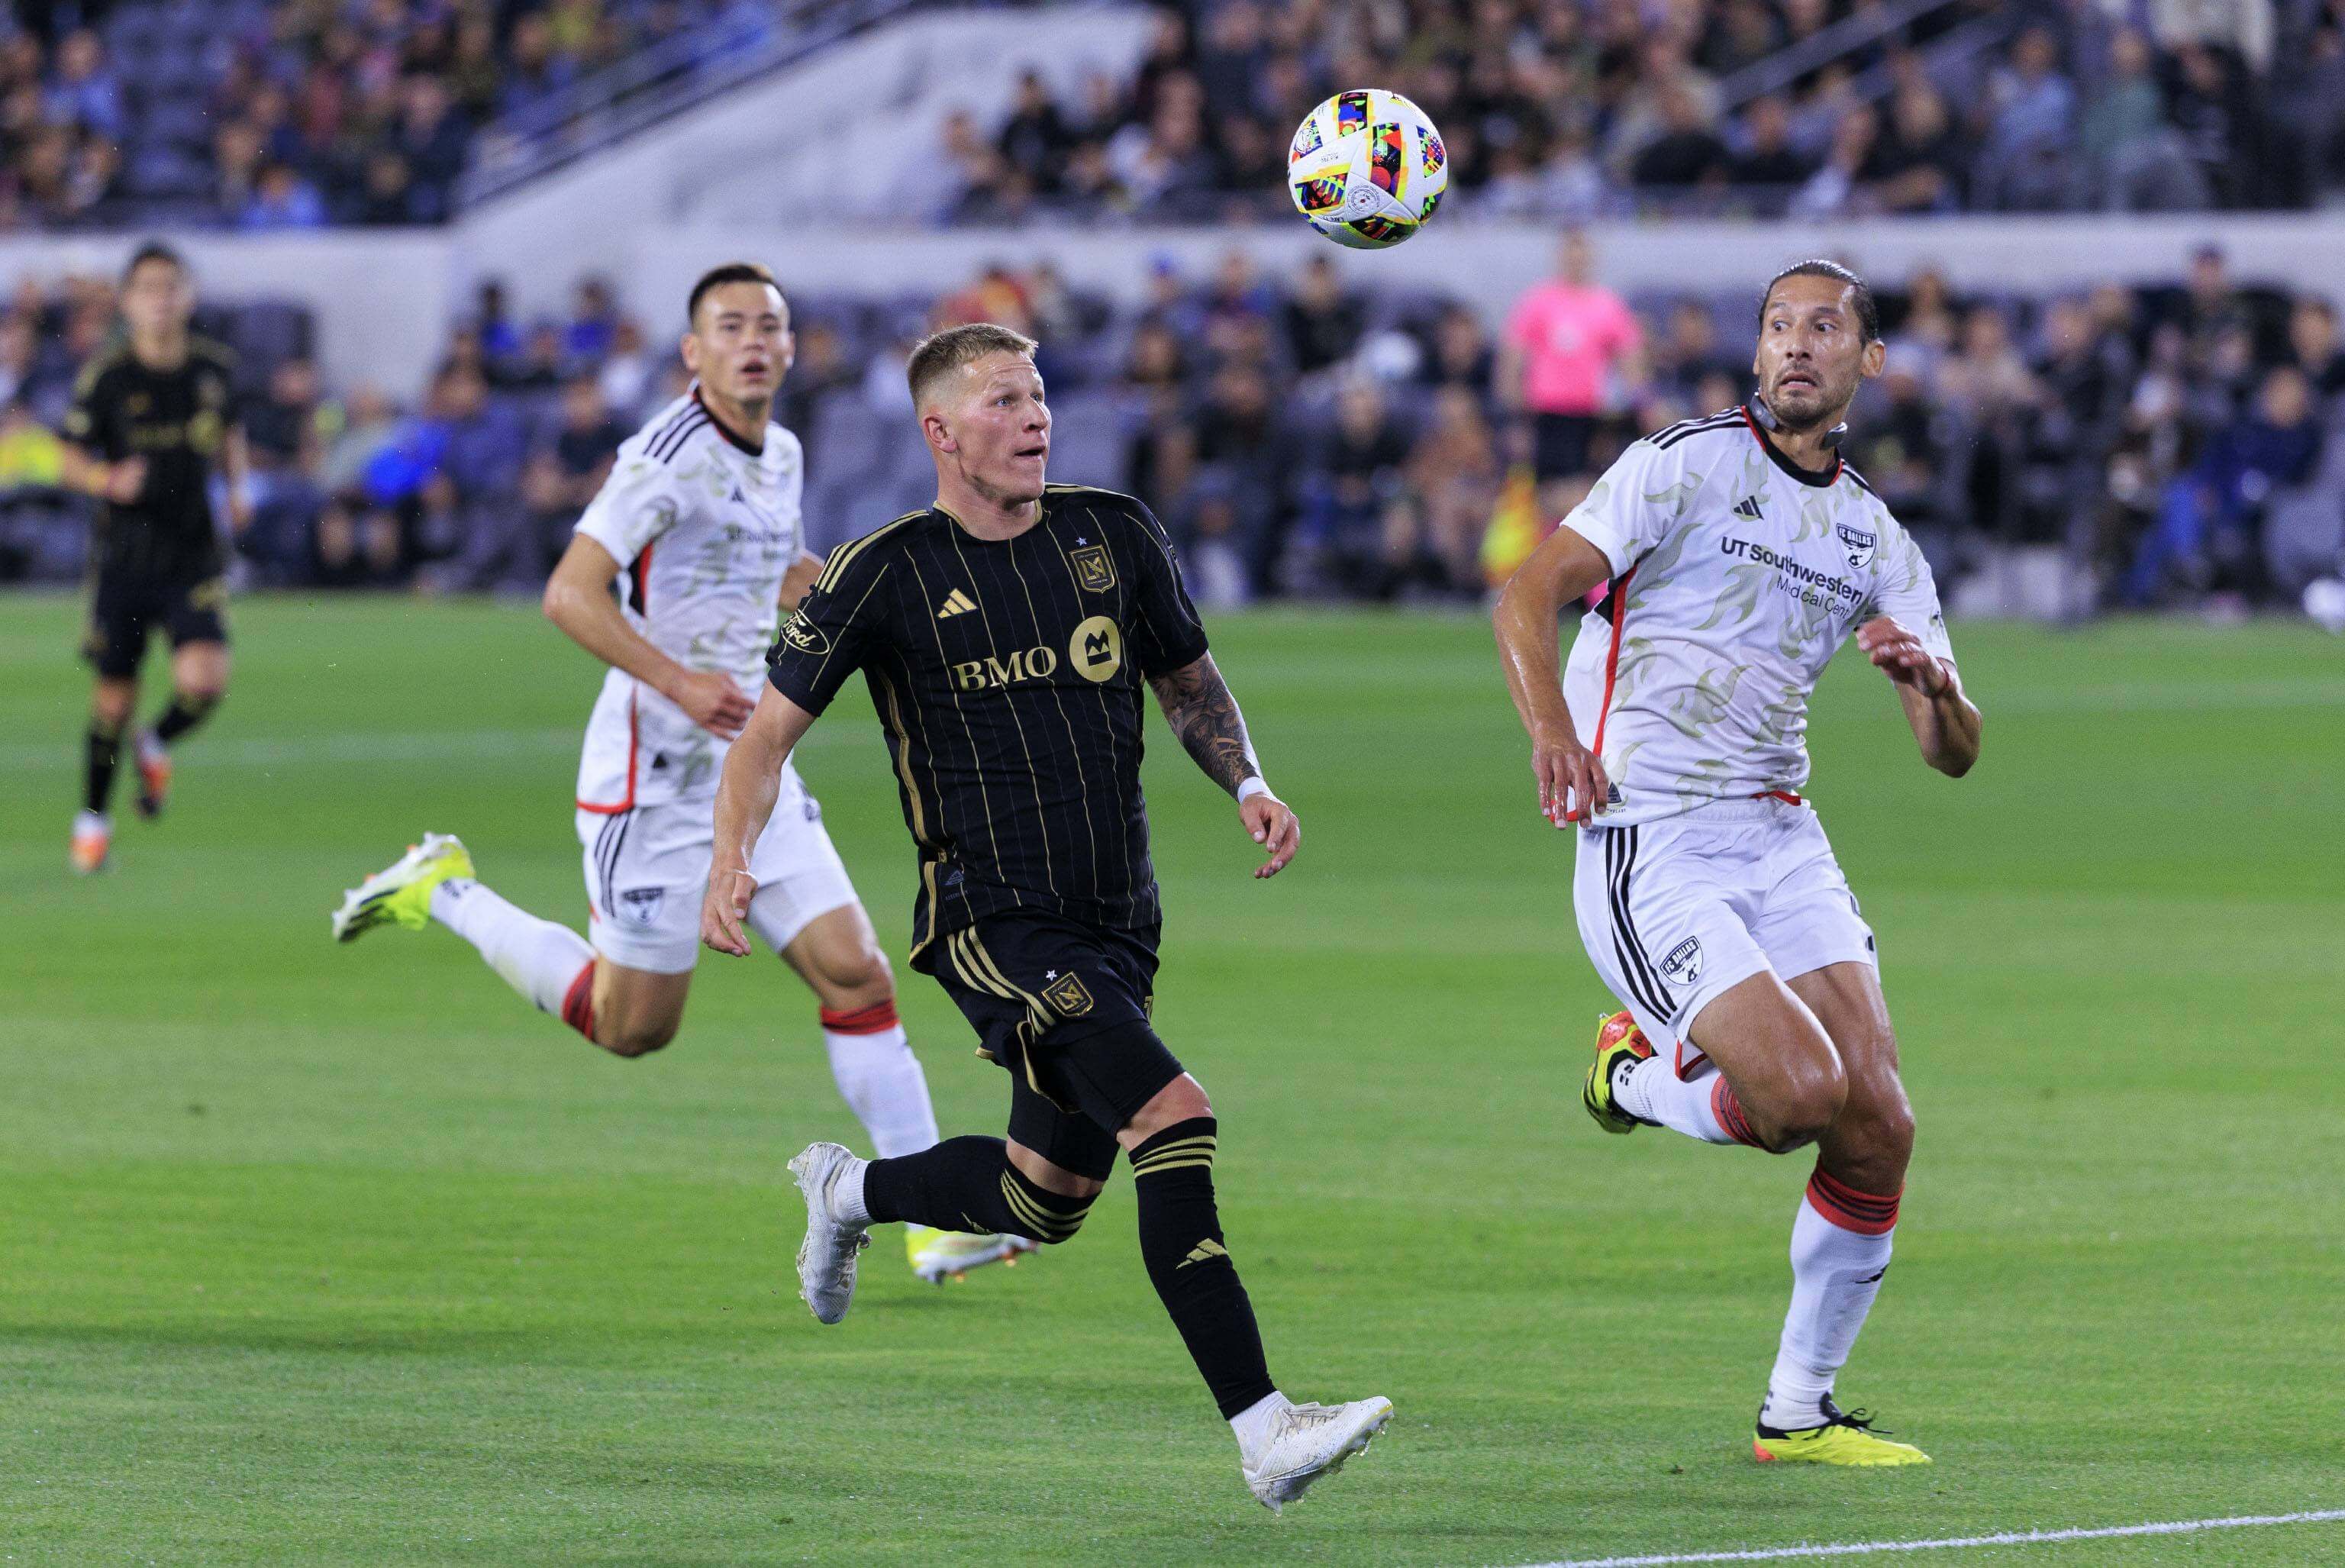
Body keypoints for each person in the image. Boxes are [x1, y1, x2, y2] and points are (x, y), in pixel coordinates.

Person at [706, 322, 1391, 1511]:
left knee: (1042, 1197)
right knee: (1173, 1119)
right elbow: (764, 737)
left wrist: (1250, 781)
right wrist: (731, 858)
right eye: (1005, 402)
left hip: (1119, 915)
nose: (1036, 420)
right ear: (941, 432)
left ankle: (849, 1193)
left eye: (1039, 397)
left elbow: (1188, 679)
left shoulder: (1112, 532)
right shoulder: (885, 570)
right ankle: (1266, 1428)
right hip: (993, 921)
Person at [331, 264, 1024, 1286]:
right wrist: (679, 680)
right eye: (729, 327)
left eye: (770, 326)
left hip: (748, 772)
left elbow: (771, 572)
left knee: (857, 972)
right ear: (692, 354)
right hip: (650, 778)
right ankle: (446, 890)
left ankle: (932, 1218)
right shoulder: (661, 459)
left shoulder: (780, 451)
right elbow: (570, 594)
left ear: (790, 350)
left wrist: (865, 599)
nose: (753, 341)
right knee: (632, 1027)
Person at [1492, 260, 1982, 1466]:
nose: (1796, 346)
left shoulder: (1874, 534)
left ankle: (1797, 1412)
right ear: (1758, 351)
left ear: (1869, 361)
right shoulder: (1682, 464)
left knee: (1880, 1122)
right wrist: (1555, 731)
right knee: (1798, 1098)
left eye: (1825, 328)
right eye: (1779, 326)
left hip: (1779, 831)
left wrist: (1932, 691)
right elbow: (1525, 596)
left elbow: (1954, 754)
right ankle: (1633, 1072)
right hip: (1650, 829)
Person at [60, 241, 249, 874]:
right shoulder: (108, 377)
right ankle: (93, 823)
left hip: (193, 554)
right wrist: (106, 482)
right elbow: (69, 456)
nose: (162, 300)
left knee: (204, 681)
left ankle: (156, 740)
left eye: (172, 287)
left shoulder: (214, 369)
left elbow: (229, 433)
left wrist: (239, 488)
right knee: (113, 697)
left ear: (188, 297)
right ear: (128, 301)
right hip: (125, 560)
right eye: (148, 288)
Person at [1497, 229, 1645, 485]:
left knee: (1584, 485)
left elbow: (1629, 355)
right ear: (1561, 259)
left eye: (1581, 259)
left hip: (1590, 412)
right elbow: (1514, 354)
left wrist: (1638, 399)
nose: (1576, 264)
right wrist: (1513, 409)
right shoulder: (1538, 301)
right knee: (1548, 487)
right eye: (1570, 258)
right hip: (1547, 410)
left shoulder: (1607, 304)